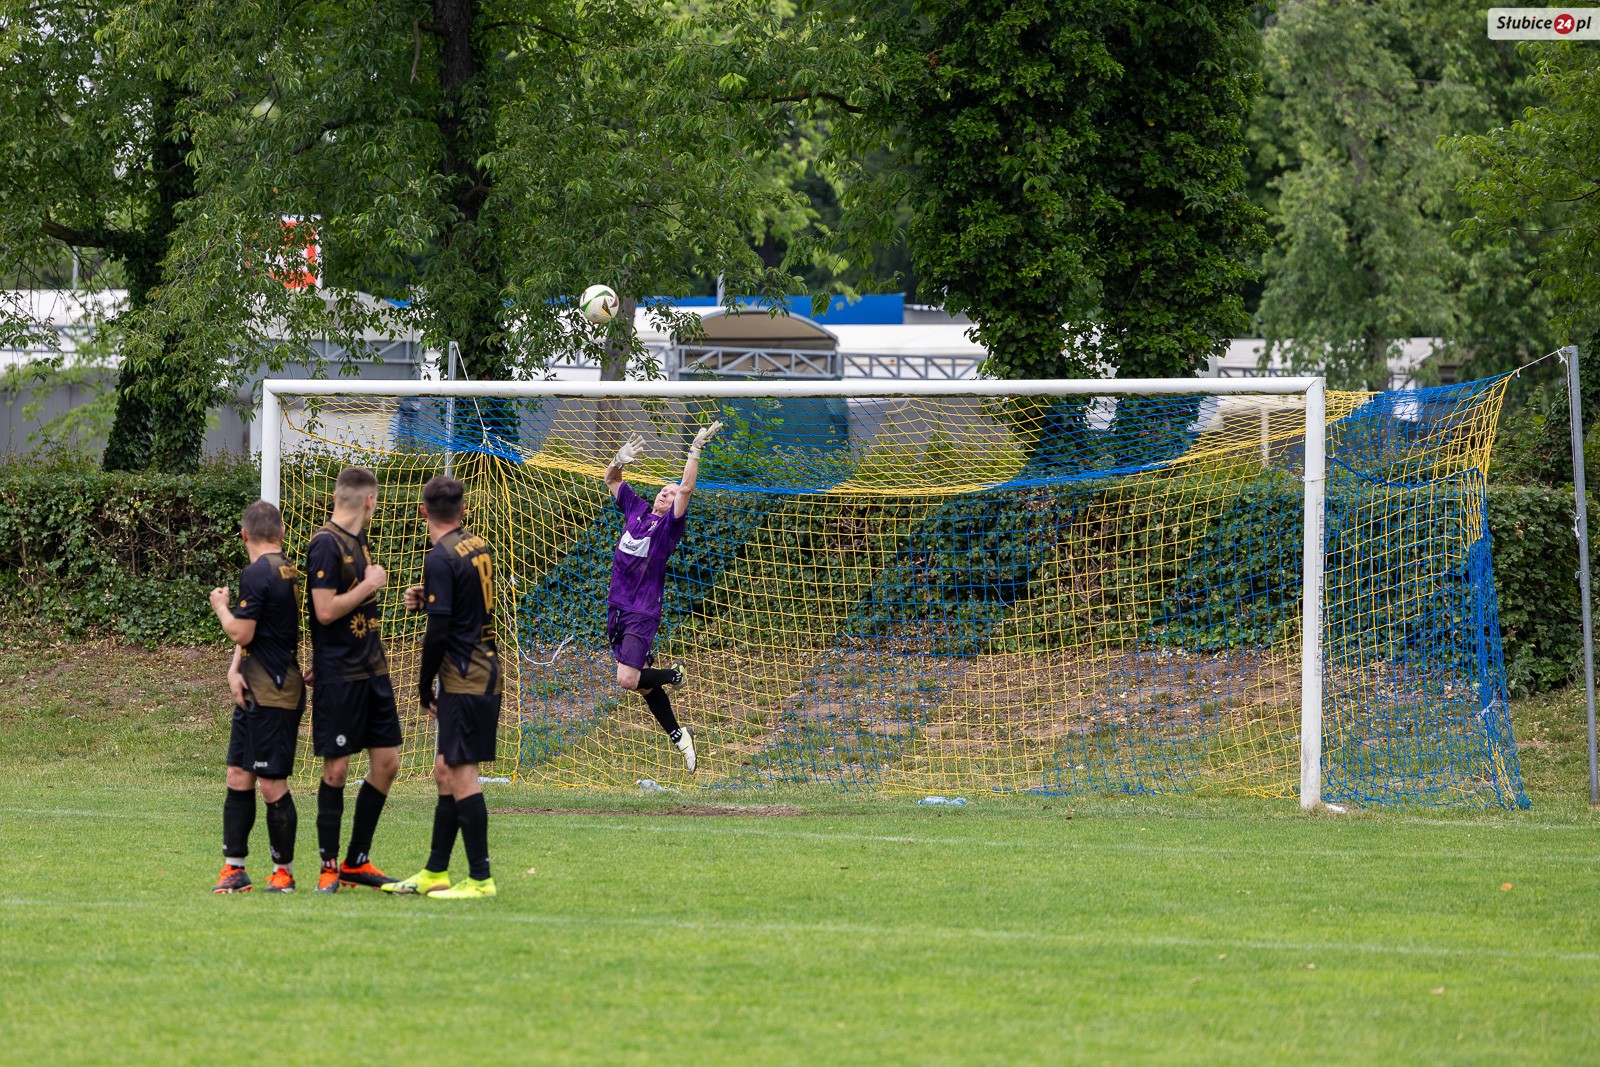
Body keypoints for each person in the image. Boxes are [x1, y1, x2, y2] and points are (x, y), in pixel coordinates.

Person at [384, 475, 502, 899]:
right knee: (443, 772)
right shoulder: (477, 546)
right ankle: (435, 871)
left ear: (422, 512)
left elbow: (438, 633)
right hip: (480, 668)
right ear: (464, 510)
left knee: (462, 775)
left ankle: (481, 878)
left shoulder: (439, 557)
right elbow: (466, 604)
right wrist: (430, 596)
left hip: (465, 676)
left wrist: (422, 687)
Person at [603, 420, 722, 772]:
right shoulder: (637, 510)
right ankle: (680, 737)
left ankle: (674, 674)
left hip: (642, 611)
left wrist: (694, 451)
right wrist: (617, 460)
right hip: (616, 608)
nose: (664, 495)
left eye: (669, 495)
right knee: (642, 685)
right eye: (662, 491)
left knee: (627, 679)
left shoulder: (669, 528)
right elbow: (611, 480)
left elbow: (686, 488)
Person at [305, 466, 401, 892]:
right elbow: (325, 610)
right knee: (338, 769)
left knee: (388, 764)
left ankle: (356, 861)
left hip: (373, 669)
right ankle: (328, 867)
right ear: (369, 501)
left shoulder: (359, 540)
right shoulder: (325, 543)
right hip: (341, 675)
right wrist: (370, 584)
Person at [206, 501, 304, 894]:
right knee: (239, 775)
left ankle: (284, 873)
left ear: (244, 535)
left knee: (270, 782)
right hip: (254, 685)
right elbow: (257, 630)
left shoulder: (257, 571)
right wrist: (235, 668)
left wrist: (220, 607)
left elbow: (241, 631)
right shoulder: (284, 568)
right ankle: (234, 869)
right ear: (282, 533)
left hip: (273, 690)